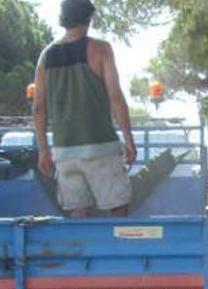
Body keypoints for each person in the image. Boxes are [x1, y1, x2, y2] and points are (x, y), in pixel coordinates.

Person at [32, 0, 136, 217]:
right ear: (89, 17)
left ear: (64, 18)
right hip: (101, 147)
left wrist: (43, 150)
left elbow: (38, 108)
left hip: (64, 152)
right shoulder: (101, 49)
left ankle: (83, 252)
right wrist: (128, 139)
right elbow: (115, 97)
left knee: (78, 215)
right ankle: (119, 250)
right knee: (118, 209)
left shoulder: (46, 56)